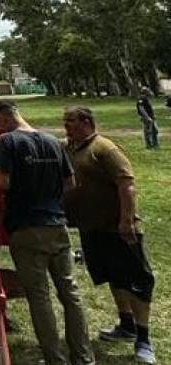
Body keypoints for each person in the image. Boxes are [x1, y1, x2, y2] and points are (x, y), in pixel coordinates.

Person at [0, 101, 94, 365]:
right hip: (56, 225)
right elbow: (69, 182)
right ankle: (83, 357)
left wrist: (23, 189)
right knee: (70, 293)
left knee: (39, 296)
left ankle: (55, 358)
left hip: (26, 226)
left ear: (3, 119)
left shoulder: (7, 141)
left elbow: (2, 181)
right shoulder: (52, 141)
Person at [63, 106, 157, 365]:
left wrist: (126, 221)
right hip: (93, 229)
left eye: (69, 121)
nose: (65, 126)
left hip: (118, 229)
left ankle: (144, 339)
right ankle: (126, 325)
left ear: (86, 121)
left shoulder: (105, 149)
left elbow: (126, 185)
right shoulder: (73, 148)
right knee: (113, 278)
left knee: (137, 281)